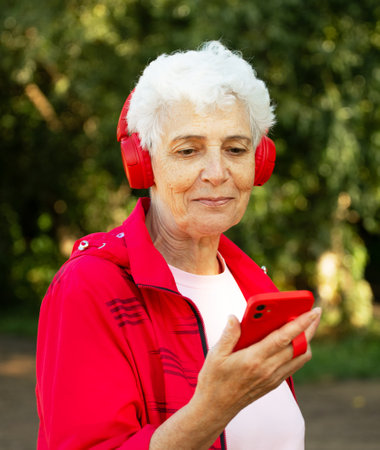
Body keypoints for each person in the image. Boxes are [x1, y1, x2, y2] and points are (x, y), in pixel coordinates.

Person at [36, 41, 321, 449]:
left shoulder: (255, 288)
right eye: (189, 150)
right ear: (143, 162)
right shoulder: (90, 287)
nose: (217, 172)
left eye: (235, 149)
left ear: (259, 162)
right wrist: (213, 410)